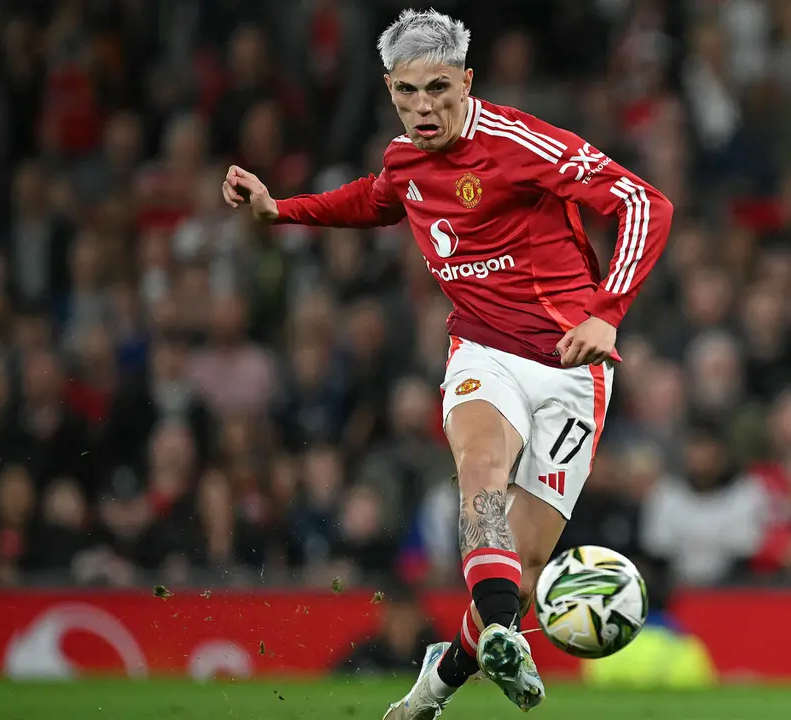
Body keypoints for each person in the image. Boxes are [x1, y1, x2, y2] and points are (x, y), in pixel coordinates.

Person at [222, 9, 673, 718]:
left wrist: (606, 310)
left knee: (521, 570)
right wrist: (282, 210)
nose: (423, 108)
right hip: (482, 351)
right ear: (389, 89)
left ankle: (442, 680)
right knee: (480, 472)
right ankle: (500, 634)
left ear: (467, 80)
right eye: (407, 93)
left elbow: (644, 202)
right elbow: (377, 199)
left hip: (570, 368)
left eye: (438, 88)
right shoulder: (406, 158)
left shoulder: (521, 142)